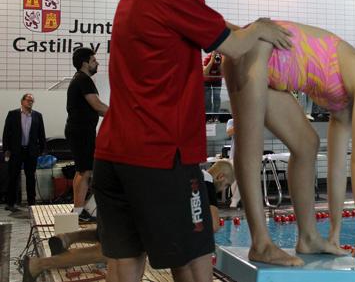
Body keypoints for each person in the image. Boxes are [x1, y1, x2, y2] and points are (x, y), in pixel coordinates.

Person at [92, 0, 293, 282]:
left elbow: (207, 28)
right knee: (195, 257)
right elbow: (233, 46)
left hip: (113, 153)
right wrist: (262, 27)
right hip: (161, 153)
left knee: (124, 259)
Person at [222, 20, 355, 269]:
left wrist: (335, 232)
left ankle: (309, 238)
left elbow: (339, 168)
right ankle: (261, 243)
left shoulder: (345, 105)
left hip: (268, 67)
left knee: (307, 144)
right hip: (257, 49)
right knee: (250, 142)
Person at [21, 160, 235, 282]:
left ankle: (68, 237)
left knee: (113, 246)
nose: (224, 192)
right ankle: (41, 263)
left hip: (114, 168)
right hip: (150, 189)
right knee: (115, 253)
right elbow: (213, 224)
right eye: (226, 188)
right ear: (221, 178)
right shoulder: (204, 179)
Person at [65, 48, 108, 222]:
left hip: (79, 130)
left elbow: (97, 109)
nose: (97, 63)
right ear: (85, 63)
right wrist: (121, 115)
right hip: (81, 131)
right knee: (86, 172)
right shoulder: (83, 79)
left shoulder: (80, 79)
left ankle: (78, 210)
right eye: (93, 60)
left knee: (82, 170)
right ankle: (78, 212)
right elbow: (97, 106)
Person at [2, 94, 46, 212]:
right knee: (13, 177)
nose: (30, 102)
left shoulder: (37, 116)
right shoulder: (13, 114)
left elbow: (41, 134)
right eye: (28, 100)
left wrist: (42, 150)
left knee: (30, 177)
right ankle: (11, 203)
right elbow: (6, 133)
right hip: (16, 151)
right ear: (22, 101)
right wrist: (6, 150)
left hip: (31, 151)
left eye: (32, 101)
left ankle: (31, 202)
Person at [225, 118, 241, 208]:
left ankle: (235, 199)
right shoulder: (231, 121)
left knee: (242, 178)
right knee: (234, 180)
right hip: (234, 154)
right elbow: (229, 133)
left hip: (247, 154)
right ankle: (235, 198)